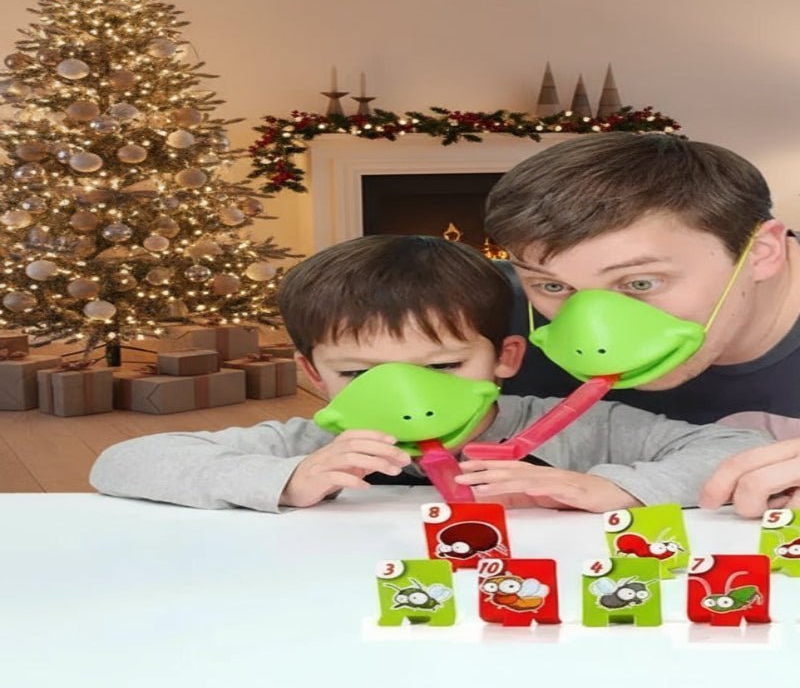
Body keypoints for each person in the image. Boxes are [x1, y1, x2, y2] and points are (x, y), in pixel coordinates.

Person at [90, 235, 771, 513]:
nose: (407, 396)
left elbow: (735, 449)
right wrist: (289, 479)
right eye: (359, 373)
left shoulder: (586, 430)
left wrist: (610, 487)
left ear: (505, 358)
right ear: (311, 373)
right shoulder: (316, 445)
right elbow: (121, 463)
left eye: (443, 366)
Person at [484, 132, 800, 516]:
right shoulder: (479, 320)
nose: (596, 334)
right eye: (552, 286)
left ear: (762, 253)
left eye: (640, 283)